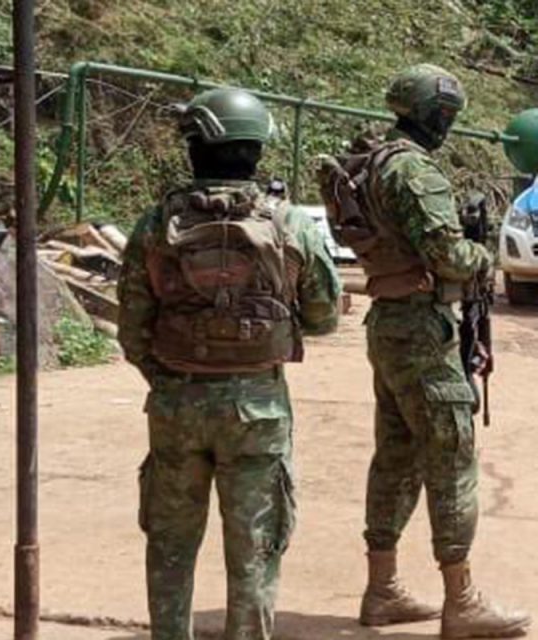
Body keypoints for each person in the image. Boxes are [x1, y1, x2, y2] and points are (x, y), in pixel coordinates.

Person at [118, 87, 341, 640]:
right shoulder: (291, 224)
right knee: (256, 550)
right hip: (259, 409)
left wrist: (171, 375)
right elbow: (323, 316)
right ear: (258, 149)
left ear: (193, 147)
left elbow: (132, 328)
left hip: (176, 405)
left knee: (170, 545)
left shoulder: (156, 223)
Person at [326, 63, 530, 638]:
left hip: (388, 322)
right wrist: (481, 257)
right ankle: (461, 601)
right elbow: (447, 255)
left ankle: (382, 588)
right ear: (434, 115)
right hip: (422, 328)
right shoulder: (415, 172)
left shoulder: (371, 163)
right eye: (447, 116)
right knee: (451, 456)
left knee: (396, 455)